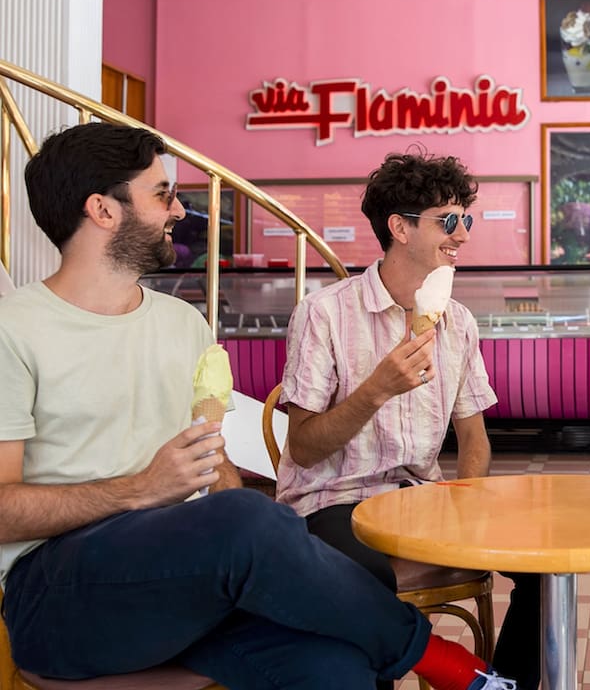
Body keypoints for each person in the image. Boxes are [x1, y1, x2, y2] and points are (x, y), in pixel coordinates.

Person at [0, 122, 513, 690]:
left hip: (188, 579)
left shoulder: (182, 323)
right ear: (102, 209)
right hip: (58, 596)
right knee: (249, 516)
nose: (178, 210)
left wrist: (238, 529)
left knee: (338, 670)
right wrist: (139, 491)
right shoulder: (13, 330)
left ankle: (445, 667)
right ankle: (444, 663)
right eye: (162, 194)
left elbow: (213, 466)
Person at [276, 151, 542, 690]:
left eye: (465, 219)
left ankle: (504, 685)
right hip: (335, 501)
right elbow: (302, 449)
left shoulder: (458, 321)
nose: (463, 235)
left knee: (545, 564)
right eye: (448, 220)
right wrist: (376, 390)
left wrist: (469, 504)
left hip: (422, 498)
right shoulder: (324, 313)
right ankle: (461, 675)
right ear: (399, 227)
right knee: (363, 577)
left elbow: (474, 438)